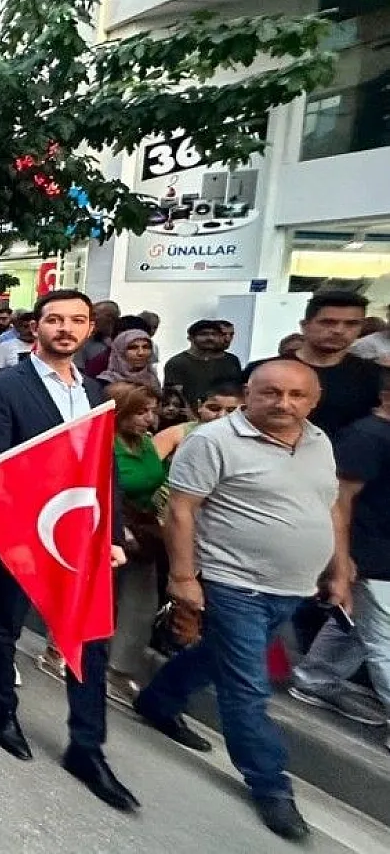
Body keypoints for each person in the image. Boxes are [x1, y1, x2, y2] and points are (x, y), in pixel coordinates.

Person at [135, 360, 351, 841]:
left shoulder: (317, 440)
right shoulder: (212, 442)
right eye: (271, 392)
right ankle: (270, 784)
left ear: (314, 401)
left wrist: (340, 568)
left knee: (220, 658)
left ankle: (157, 701)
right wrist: (185, 577)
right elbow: (181, 510)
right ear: (250, 392)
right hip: (235, 584)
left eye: (297, 395)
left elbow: (329, 506)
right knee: (247, 687)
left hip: (293, 586)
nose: (283, 403)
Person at [0, 289, 136, 811]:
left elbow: (102, 471)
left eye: (78, 320)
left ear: (90, 330)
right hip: (21, 533)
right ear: (34, 327)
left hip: (82, 536)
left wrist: (112, 534)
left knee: (89, 637)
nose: (66, 328)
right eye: (55, 319)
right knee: (4, 626)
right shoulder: (4, 389)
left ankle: (87, 747)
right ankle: (2, 711)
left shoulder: (94, 392)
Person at [287, 365, 390, 730]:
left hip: (376, 552)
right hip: (373, 551)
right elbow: (339, 500)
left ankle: (315, 678)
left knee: (360, 626)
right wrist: (342, 559)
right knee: (384, 639)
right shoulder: (368, 436)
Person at [104, 382, 166, 706]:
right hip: (106, 524)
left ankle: (119, 670)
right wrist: (118, 529)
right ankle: (57, 649)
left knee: (141, 604)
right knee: (95, 594)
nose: (149, 419)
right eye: (141, 412)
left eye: (152, 411)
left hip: (143, 530)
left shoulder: (145, 444)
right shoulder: (103, 441)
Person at [247, 291, 380, 437]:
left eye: (351, 324)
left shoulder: (374, 376)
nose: (339, 330)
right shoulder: (263, 372)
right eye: (328, 322)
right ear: (305, 326)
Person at [164, 320, 244, 406]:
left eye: (214, 334)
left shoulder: (231, 360)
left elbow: (237, 390)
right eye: (203, 334)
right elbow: (175, 395)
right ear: (190, 338)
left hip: (224, 413)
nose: (210, 338)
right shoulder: (177, 362)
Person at [77, 299, 122, 377]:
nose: (90, 318)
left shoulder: (123, 341)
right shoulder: (82, 341)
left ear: (110, 318)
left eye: (94, 314)